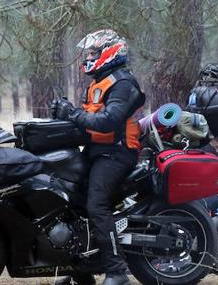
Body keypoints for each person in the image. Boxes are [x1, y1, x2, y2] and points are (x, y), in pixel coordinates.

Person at [51, 29, 145, 285]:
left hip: (118, 154)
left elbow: (109, 121)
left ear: (109, 52)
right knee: (73, 203)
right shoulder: (98, 82)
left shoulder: (123, 83)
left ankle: (117, 271)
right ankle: (82, 272)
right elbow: (87, 122)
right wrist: (61, 117)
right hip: (97, 152)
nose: (88, 57)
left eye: (93, 52)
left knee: (96, 205)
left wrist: (71, 114)